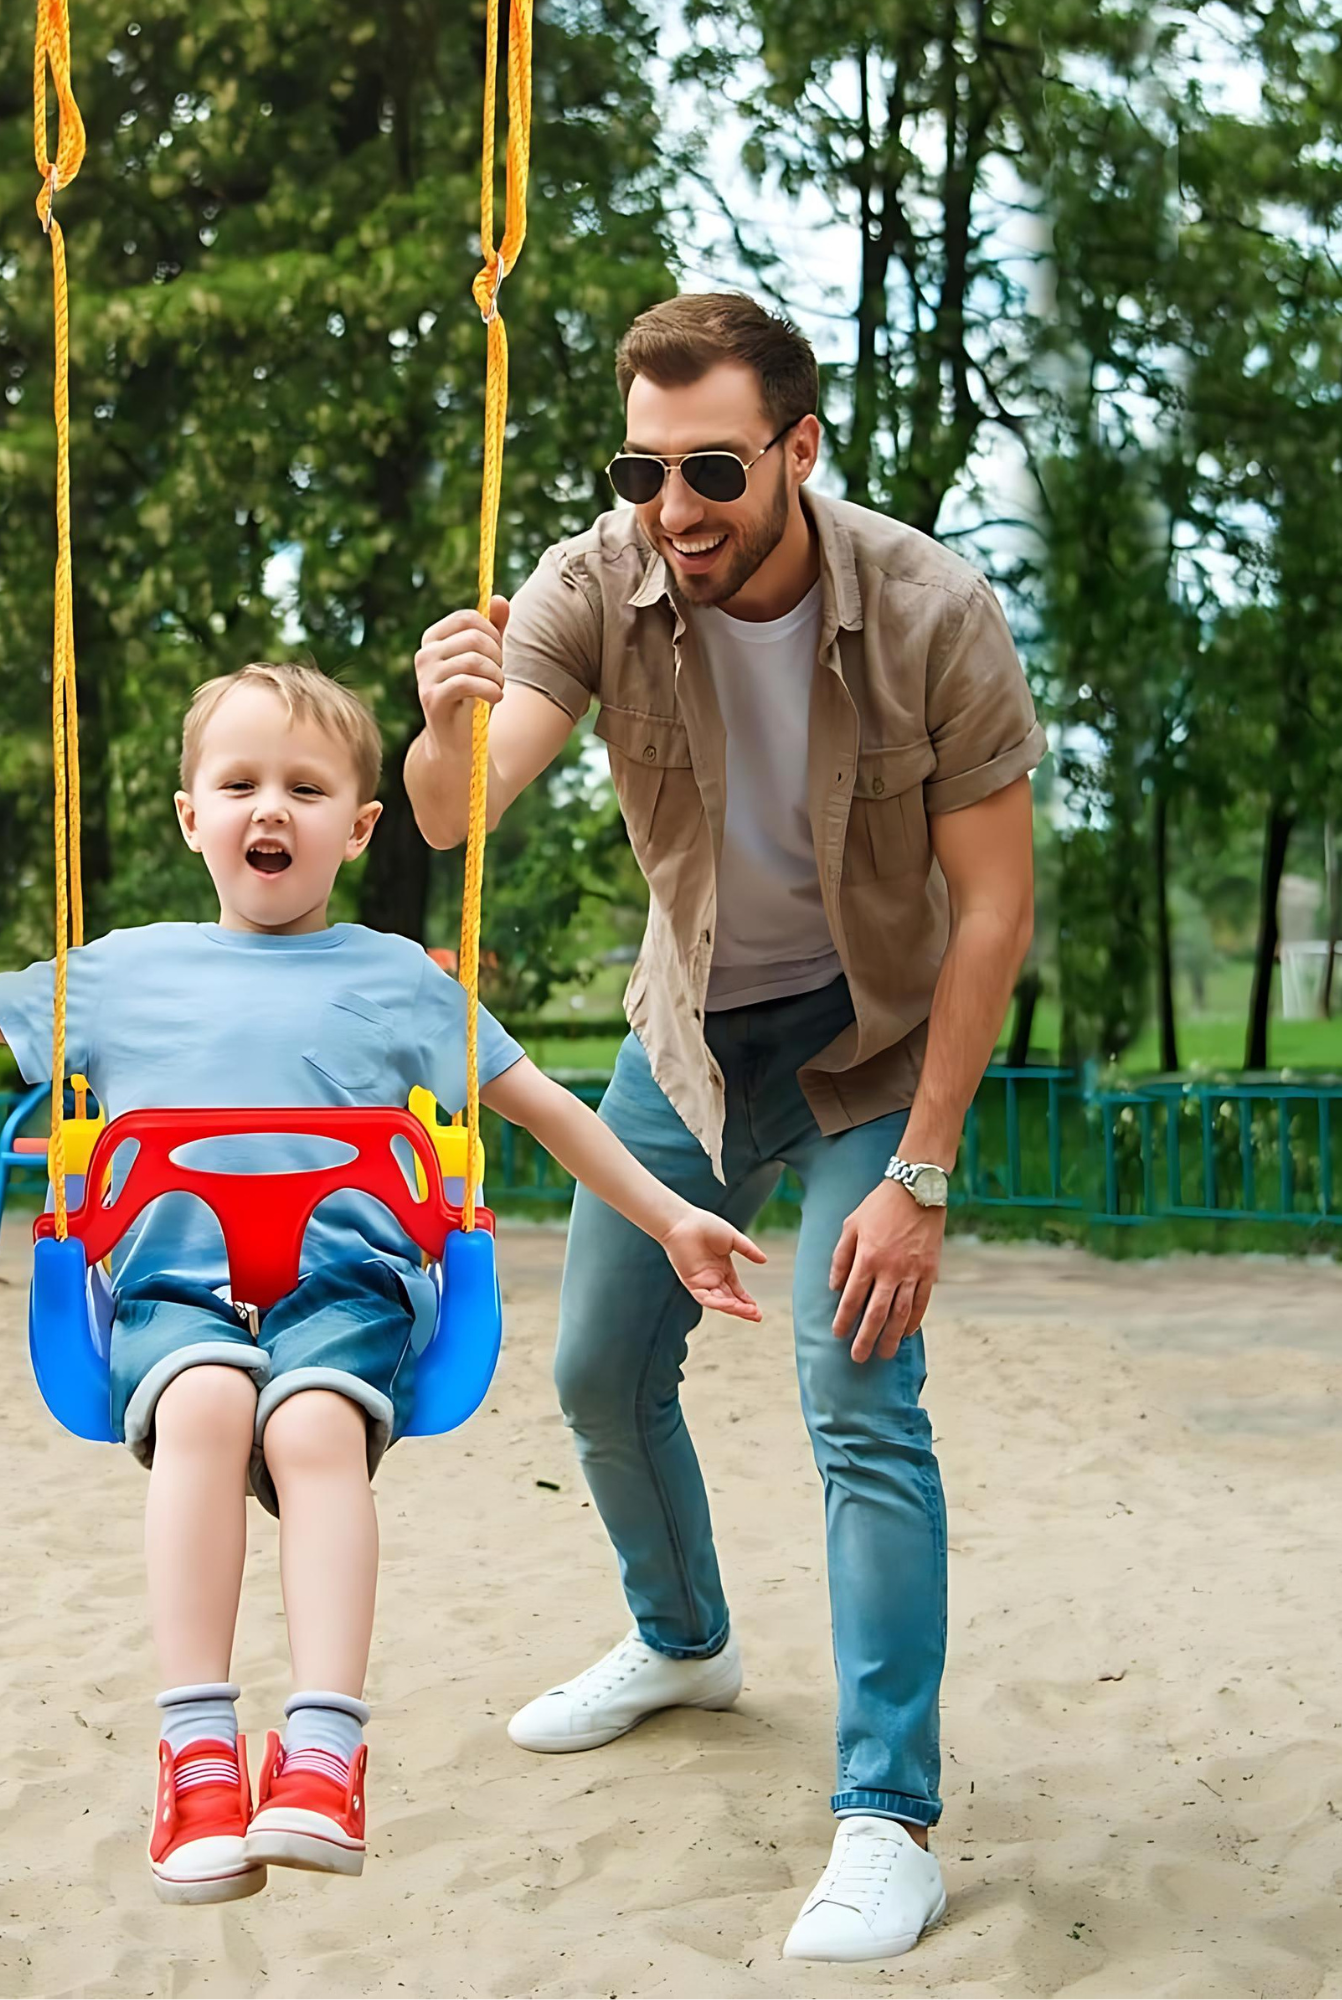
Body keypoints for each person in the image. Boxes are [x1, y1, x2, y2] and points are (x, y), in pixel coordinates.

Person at [0, 662, 769, 1907]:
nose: (266, 808)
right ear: (192, 815)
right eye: (237, 783)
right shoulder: (124, 970)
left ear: (356, 825)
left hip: (345, 1277)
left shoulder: (399, 979)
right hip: (172, 1278)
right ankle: (195, 1749)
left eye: (303, 785)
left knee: (310, 1424)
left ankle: (324, 1749)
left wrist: (671, 1215)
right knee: (202, 1405)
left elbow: (546, 1106)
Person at [404, 293, 1043, 1963]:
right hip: (687, 1039)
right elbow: (462, 806)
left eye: (709, 468)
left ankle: (888, 1814)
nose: (673, 507)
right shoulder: (593, 581)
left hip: (874, 1048)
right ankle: (682, 1639)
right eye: (642, 467)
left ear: (796, 449)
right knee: (597, 1368)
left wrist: (921, 1173)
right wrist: (438, 713)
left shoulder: (929, 608)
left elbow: (992, 911)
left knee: (854, 1389)